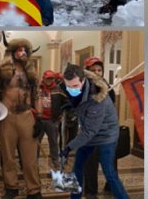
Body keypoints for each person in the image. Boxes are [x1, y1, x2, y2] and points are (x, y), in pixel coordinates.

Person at [59, 64, 128, 199]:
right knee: (77, 168)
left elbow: (89, 132)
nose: (71, 89)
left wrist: (69, 147)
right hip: (89, 132)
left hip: (106, 135)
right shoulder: (73, 87)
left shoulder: (97, 99)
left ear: (83, 81)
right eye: (68, 86)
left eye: (74, 86)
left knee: (109, 172)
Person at [0, 35, 43, 199]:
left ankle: (34, 190)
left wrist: (40, 118)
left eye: (25, 50)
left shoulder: (32, 74)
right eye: (19, 49)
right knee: (8, 156)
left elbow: (37, 95)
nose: (22, 53)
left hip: (26, 116)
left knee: (30, 158)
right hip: (6, 117)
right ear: (13, 52)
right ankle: (11, 188)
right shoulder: (2, 72)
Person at [82, 57, 118, 197]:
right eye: (93, 70)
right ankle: (91, 192)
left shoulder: (107, 85)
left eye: (99, 70)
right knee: (90, 162)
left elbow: (113, 102)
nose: (97, 72)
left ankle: (110, 185)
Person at [38, 70, 63, 168]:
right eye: (47, 78)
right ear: (43, 78)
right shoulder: (38, 88)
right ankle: (34, 160)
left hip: (52, 120)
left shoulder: (58, 89)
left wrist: (60, 113)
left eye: (51, 78)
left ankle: (55, 160)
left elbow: (65, 102)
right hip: (39, 119)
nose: (49, 80)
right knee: (36, 142)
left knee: (53, 141)